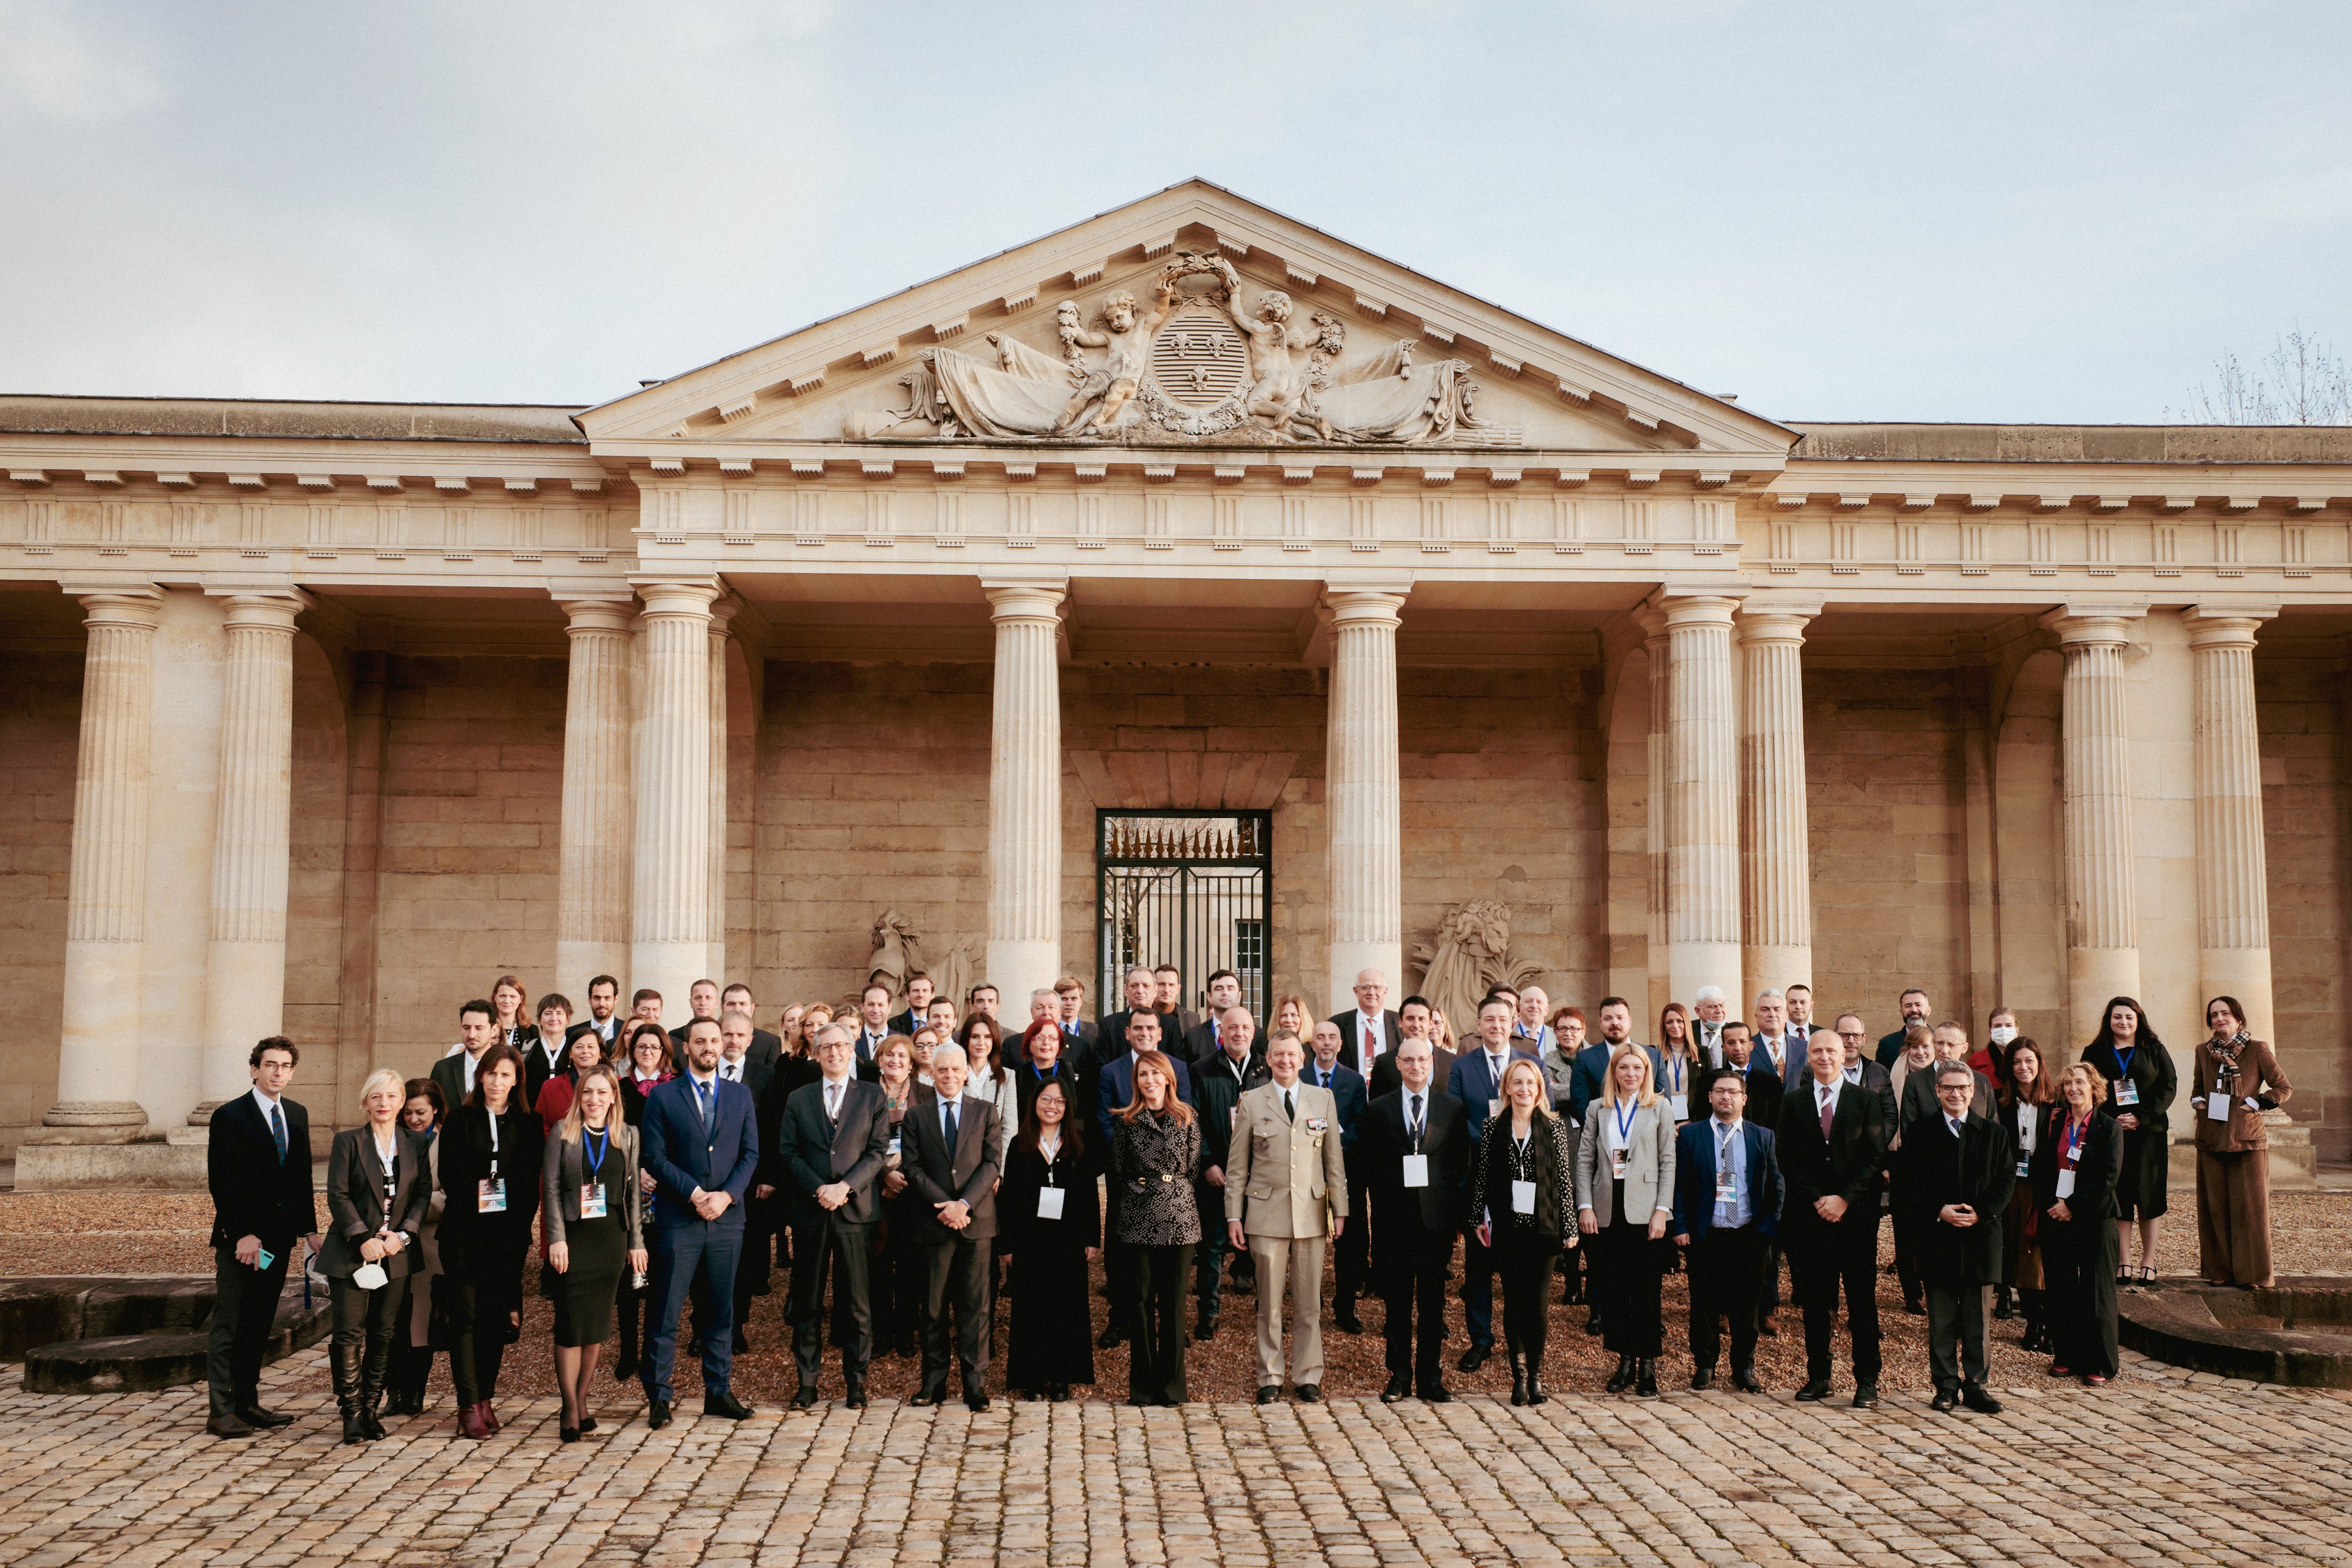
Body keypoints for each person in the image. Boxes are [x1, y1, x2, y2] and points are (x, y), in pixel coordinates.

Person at [638, 1016, 759, 1428]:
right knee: (665, 1312)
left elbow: (750, 1155)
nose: (710, 1046)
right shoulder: (663, 1097)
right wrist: (693, 1193)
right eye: (700, 1041)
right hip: (679, 1219)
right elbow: (654, 1157)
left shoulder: (740, 1096)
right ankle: (658, 1396)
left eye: (716, 1039)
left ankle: (719, 1391)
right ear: (685, 1047)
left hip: (726, 1220)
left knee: (720, 1311)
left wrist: (725, 1196)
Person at [203, 1036, 320, 1439]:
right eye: (270, 1064)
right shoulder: (230, 1116)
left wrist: (309, 1230)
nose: (277, 1072)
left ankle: (247, 1403)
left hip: (275, 1245)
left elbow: (300, 1179)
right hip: (241, 1244)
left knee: (258, 1322)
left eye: (285, 1066)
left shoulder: (297, 1114)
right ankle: (220, 1410)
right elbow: (222, 1182)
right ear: (254, 1069)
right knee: (230, 1323)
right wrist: (243, 1234)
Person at [1226, 1029, 1348, 1404]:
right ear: (1268, 1059)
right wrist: (1234, 1216)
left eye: (1292, 1054)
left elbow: (1334, 1161)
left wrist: (1339, 1210)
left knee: (1310, 1301)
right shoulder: (1251, 1101)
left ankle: (1308, 1374)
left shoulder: (1322, 1099)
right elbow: (1237, 1167)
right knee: (1269, 1302)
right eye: (1278, 1055)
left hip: (1311, 1213)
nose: (1285, 1061)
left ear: (1303, 1057)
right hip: (1266, 1213)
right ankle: (1270, 1376)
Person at [781, 1023, 891, 1409]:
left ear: (852, 1051)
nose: (834, 1053)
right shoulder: (799, 1098)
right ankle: (807, 1383)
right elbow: (789, 1152)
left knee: (858, 1303)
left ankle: (856, 1385)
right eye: (826, 1046)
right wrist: (819, 1189)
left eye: (842, 1046)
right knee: (807, 1301)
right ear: (815, 1052)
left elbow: (878, 1151)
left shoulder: (872, 1096)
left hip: (856, 1212)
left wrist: (845, 1187)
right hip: (812, 1212)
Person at [1779, 1027, 1890, 1409]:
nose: (1824, 1057)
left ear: (1844, 1054)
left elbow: (1874, 1157)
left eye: (1831, 1050)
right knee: (1815, 1301)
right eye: (1817, 1051)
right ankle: (1819, 1376)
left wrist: (1843, 1199)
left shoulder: (1866, 1100)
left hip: (1856, 1217)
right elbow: (1788, 1159)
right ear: (1808, 1056)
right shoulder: (1793, 1103)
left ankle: (1867, 1381)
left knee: (1862, 1300)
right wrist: (1817, 1200)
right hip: (1810, 1219)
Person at [437, 1041, 542, 1440]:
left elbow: (528, 1186)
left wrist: (516, 1230)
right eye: (491, 1073)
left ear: (517, 1081)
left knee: (494, 1322)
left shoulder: (528, 1123)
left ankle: (485, 1398)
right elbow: (451, 1175)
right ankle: (467, 1404)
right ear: (480, 1075)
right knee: (465, 1318)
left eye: (506, 1075)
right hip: (465, 1233)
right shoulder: (460, 1119)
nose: (497, 1082)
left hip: (507, 1237)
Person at [1898, 1062, 2015, 1414]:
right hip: (1937, 1237)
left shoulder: (1994, 1134)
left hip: (1981, 1237)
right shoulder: (1920, 1133)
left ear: (1973, 1091)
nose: (1955, 1094)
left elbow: (2006, 1180)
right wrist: (1939, 1209)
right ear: (1937, 1091)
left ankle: (1977, 1387)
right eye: (1948, 1088)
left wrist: (1983, 1211)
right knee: (1943, 1319)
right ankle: (1946, 1385)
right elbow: (1908, 1183)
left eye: (1962, 1088)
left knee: (1978, 1322)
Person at [318, 1067, 426, 1444]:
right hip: (352, 1252)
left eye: (392, 1097)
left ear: (401, 1103)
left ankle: (370, 1408)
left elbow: (422, 1195)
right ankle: (351, 1413)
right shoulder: (348, 1142)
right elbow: (338, 1194)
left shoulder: (415, 1143)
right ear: (366, 1102)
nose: (384, 1103)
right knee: (349, 1334)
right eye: (377, 1097)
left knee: (384, 1334)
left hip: (395, 1252)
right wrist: (361, 1237)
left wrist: (404, 1235)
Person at [542, 1064, 645, 1441]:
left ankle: (583, 1400)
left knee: (598, 1326)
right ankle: (569, 1406)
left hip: (610, 1240)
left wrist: (636, 1241)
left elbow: (633, 1193)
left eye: (602, 1092)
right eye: (588, 1092)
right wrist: (556, 1238)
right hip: (573, 1239)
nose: (594, 1099)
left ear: (613, 1097)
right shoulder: (563, 1133)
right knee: (571, 1325)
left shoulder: (628, 1135)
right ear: (579, 1096)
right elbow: (551, 1189)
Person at [1363, 1037, 1467, 1401]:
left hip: (1436, 1222)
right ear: (1397, 1064)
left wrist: (1454, 1219)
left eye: (1423, 1060)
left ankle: (1431, 1378)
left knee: (1432, 1303)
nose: (1416, 1067)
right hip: (1395, 1221)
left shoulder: (1451, 1109)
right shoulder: (1378, 1109)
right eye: (1408, 1060)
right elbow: (1370, 1167)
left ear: (1432, 1063)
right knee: (1397, 1302)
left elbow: (1458, 1165)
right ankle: (1399, 1376)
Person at [1467, 1058, 1575, 1405]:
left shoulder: (1555, 1128)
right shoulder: (1491, 1127)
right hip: (1508, 1228)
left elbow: (1564, 1181)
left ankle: (1538, 1377)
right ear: (1507, 1089)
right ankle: (1520, 1376)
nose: (1524, 1089)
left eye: (1531, 1083)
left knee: (1539, 1305)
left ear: (1539, 1089)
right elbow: (1481, 1177)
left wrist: (1570, 1227)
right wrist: (1477, 1220)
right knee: (1513, 1303)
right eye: (1518, 1083)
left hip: (1544, 1230)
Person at [902, 1042, 1002, 1411]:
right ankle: (933, 1383)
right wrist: (944, 1206)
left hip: (976, 1223)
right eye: (941, 1070)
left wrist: (964, 1204)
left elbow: (992, 1164)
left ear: (965, 1073)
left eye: (955, 1070)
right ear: (932, 1073)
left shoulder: (985, 1111)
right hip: (933, 1223)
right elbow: (912, 1168)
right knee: (933, 1307)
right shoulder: (918, 1116)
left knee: (975, 1309)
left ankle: (975, 1386)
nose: (948, 1076)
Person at [1445, 996, 1542, 1373]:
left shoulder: (1531, 1063)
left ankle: (1520, 1341)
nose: (1496, 1026)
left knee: (1520, 1266)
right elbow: (1455, 1114)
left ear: (1513, 1021)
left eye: (1503, 1019)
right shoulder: (1462, 1067)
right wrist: (1493, 1137)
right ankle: (1480, 1341)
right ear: (1479, 1024)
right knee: (1479, 1266)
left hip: (1524, 1180)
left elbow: (1541, 1112)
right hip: (1479, 1178)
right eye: (1489, 1020)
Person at [1575, 1045, 1677, 1398]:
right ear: (1614, 1072)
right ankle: (1624, 1360)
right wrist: (1585, 1206)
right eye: (1624, 1067)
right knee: (1614, 1290)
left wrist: (1663, 1210)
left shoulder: (1659, 1107)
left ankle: (1648, 1363)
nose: (1631, 1074)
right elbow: (1585, 1159)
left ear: (1646, 1072)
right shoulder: (1597, 1109)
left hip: (1646, 1211)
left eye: (1638, 1068)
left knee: (1646, 1291)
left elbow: (1669, 1162)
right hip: (1606, 1210)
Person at [1671, 1069, 1780, 1392]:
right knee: (1704, 1304)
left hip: (1749, 1233)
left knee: (1746, 1306)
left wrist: (1768, 1228)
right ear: (1710, 1097)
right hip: (1706, 1233)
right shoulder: (1692, 1136)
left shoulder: (1762, 1136)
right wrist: (1679, 1226)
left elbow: (1776, 1185)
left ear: (1744, 1099)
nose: (1726, 1097)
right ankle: (1705, 1365)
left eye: (1733, 1092)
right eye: (1720, 1091)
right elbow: (1680, 1185)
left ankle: (1744, 1367)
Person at [1094, 1010, 1195, 1349]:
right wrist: (1137, 1156)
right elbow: (1106, 1123)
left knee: (1167, 1272)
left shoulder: (1178, 1067)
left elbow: (1188, 1147)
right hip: (1129, 1179)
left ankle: (1171, 1329)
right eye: (1138, 1028)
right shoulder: (1112, 1071)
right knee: (1124, 1260)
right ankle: (1121, 1318)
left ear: (1160, 1033)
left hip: (1171, 1188)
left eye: (1150, 1027)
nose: (1144, 1032)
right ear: (1127, 1033)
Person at [999, 1077, 1100, 1401]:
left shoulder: (1079, 1143)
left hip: (1068, 1239)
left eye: (1059, 1101)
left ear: (1067, 1107)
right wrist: (1007, 1244)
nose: (1052, 1106)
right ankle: (1032, 1377)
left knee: (1066, 1307)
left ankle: (1061, 1377)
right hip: (1030, 1240)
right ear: (1034, 1103)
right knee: (1031, 1308)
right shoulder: (1018, 1145)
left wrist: (1091, 1238)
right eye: (1046, 1099)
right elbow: (1009, 1199)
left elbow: (1089, 1196)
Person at [1111, 1048, 1201, 1406]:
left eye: (1155, 1074)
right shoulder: (1126, 1122)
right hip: (1138, 1217)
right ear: (1136, 1082)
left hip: (1179, 1218)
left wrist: (1171, 1189)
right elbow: (1118, 1169)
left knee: (1175, 1304)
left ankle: (1172, 1386)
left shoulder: (1187, 1118)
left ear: (1168, 1078)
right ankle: (1143, 1387)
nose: (1150, 1081)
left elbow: (1192, 1167)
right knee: (1141, 1302)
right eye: (1143, 1075)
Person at [2190, 995, 2292, 1289]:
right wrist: (2198, 1102)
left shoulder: (2257, 1049)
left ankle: (2254, 1276)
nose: (2219, 1019)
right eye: (2214, 1015)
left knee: (2250, 1209)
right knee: (2215, 1209)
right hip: (2210, 1138)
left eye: (2225, 1014)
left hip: (2246, 1139)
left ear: (2238, 1019)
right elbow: (2198, 1086)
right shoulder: (2203, 1051)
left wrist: (2256, 1103)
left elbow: (2283, 1087)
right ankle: (2219, 1271)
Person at [2034, 1063, 2124, 1384]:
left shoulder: (2108, 1126)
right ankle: (2066, 1355)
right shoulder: (2054, 1121)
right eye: (2069, 1083)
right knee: (2061, 1289)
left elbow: (2108, 1178)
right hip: (2055, 1216)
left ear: (2093, 1087)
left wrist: (2072, 1206)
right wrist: (2053, 1206)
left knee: (2096, 1291)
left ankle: (2100, 1363)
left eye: (2080, 1082)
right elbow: (2040, 1168)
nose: (2074, 1088)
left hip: (2094, 1218)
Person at [2083, 995, 2175, 1286]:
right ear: (2108, 1020)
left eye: (2129, 1018)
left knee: (2150, 1197)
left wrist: (2142, 1117)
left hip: (2149, 1134)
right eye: (2117, 1017)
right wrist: (2112, 1119)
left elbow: (2168, 1087)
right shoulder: (2094, 1051)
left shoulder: (2155, 1049)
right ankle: (2124, 1259)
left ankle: (2149, 1260)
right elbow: (2088, 1089)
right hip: (2112, 1135)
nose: (2123, 1022)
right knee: (2120, 1195)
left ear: (2138, 1021)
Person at [1192, 1004, 1268, 1339]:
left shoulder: (1267, 1069)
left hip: (1262, 1174)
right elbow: (1193, 1121)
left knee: (1265, 1244)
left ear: (1253, 1032)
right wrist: (1207, 1162)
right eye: (1231, 1027)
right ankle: (1208, 1312)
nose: (1238, 1033)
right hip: (1217, 1172)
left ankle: (1267, 1311)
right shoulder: (1202, 1069)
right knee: (1212, 1245)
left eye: (1245, 1028)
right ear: (1220, 1032)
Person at [382, 1077, 448, 1418]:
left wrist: (411, 1209)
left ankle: (415, 1393)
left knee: (419, 1322)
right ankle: (392, 1391)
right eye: (407, 1113)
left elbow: (449, 1194)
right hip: (391, 1242)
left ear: (435, 1109)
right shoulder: (391, 1140)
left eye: (420, 1112)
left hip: (427, 1242)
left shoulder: (446, 1142)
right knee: (391, 1319)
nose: (413, 1119)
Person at [1304, 1020, 1372, 1333]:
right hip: (1306, 1171)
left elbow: (1361, 1125)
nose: (1327, 1043)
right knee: (1308, 1240)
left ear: (1341, 1045)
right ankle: (1311, 1305)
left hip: (1346, 1171)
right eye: (1321, 1037)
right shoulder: (1300, 1076)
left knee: (1349, 1242)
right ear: (1312, 1043)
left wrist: (1335, 1140)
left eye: (1333, 1037)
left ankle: (1345, 1307)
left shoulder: (1354, 1081)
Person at [1996, 1039, 2057, 1346]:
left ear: (2039, 1063)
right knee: (2023, 1254)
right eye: (2017, 1062)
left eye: (2029, 1061)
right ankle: (2034, 1322)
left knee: (2045, 1255)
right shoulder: (2000, 1101)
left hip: (2047, 1186)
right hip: (2014, 1187)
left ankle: (2051, 1323)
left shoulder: (2056, 1102)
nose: (2024, 1068)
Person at [957, 1014, 1019, 1172]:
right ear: (966, 1040)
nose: (981, 1043)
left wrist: (997, 1171)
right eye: (975, 1037)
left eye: (987, 1037)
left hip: (993, 1166)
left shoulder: (1007, 1076)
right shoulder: (955, 1075)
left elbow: (1010, 1129)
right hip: (960, 1166)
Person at [1370, 994, 1454, 1098]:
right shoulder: (1384, 1063)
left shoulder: (1451, 1061)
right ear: (1400, 1022)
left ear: (1431, 1023)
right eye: (1411, 1018)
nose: (1416, 1025)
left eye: (1422, 1019)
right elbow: (1376, 1108)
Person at [533, 1023, 608, 1132]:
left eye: (591, 1047)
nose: (585, 1051)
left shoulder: (616, 1084)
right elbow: (540, 1124)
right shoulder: (550, 1087)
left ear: (600, 1053)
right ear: (570, 1053)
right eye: (579, 1047)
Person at [1332, 968, 1402, 1080]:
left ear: (1385, 991)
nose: (1371, 992)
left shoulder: (1400, 1023)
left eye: (1377, 987)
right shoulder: (1337, 1024)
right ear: (1356, 991)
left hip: (1390, 1095)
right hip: (1352, 1094)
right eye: (1365, 987)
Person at [432, 999, 499, 1112]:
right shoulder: (442, 1069)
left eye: (479, 1028)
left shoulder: (506, 1069)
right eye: (466, 1028)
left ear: (494, 1030)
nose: (472, 1035)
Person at [523, 993, 576, 1110]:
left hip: (568, 1117)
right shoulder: (527, 1049)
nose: (554, 1018)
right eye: (548, 1013)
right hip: (533, 1117)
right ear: (539, 1019)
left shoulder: (575, 1049)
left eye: (559, 1013)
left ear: (568, 1019)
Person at [1184, 970, 1247, 1063]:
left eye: (1230, 988)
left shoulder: (1255, 1035)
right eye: (1219, 989)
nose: (1225, 993)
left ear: (1239, 996)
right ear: (1209, 996)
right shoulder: (1194, 1036)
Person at [1655, 1002, 1699, 1123]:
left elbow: (1706, 1093)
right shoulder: (1654, 1053)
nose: (1675, 1026)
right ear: (1664, 1026)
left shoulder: (1702, 1054)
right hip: (1662, 1120)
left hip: (1692, 1122)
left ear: (1686, 1023)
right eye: (1670, 1022)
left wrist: (1692, 1121)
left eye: (1680, 1021)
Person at [1876, 987, 1934, 1066]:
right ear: (1901, 1012)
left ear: (1928, 1010)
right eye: (1908, 1006)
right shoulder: (1887, 1044)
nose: (1914, 1010)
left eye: (1918, 1005)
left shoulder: (1939, 1040)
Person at [491, 974, 538, 1056]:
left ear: (521, 999)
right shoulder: (487, 1028)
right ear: (495, 997)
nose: (507, 1001)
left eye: (513, 996)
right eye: (502, 996)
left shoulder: (531, 1031)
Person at [889, 972, 936, 1038]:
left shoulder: (938, 1023)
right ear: (907, 996)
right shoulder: (893, 1024)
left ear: (932, 995)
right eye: (916, 991)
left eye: (925, 991)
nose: (921, 995)